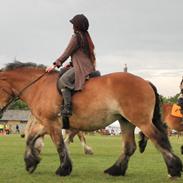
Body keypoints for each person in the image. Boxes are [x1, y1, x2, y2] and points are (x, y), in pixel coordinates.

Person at [46, 14, 96, 117]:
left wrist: (55, 64)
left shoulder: (76, 36)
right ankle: (62, 101)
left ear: (77, 26)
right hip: (85, 65)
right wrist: (70, 63)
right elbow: (80, 54)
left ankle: (67, 108)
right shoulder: (86, 37)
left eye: (73, 24)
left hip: (82, 68)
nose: (72, 26)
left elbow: (67, 52)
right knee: (61, 72)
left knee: (64, 80)